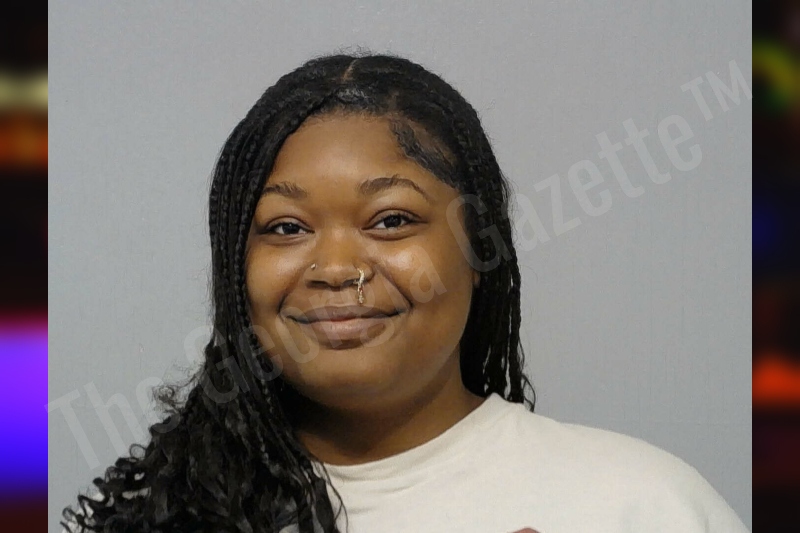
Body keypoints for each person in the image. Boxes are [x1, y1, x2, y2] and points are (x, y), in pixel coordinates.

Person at [63, 52, 749, 533]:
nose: (337, 268)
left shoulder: (639, 505)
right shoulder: (165, 515)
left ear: (480, 248)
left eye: (391, 220)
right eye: (286, 227)